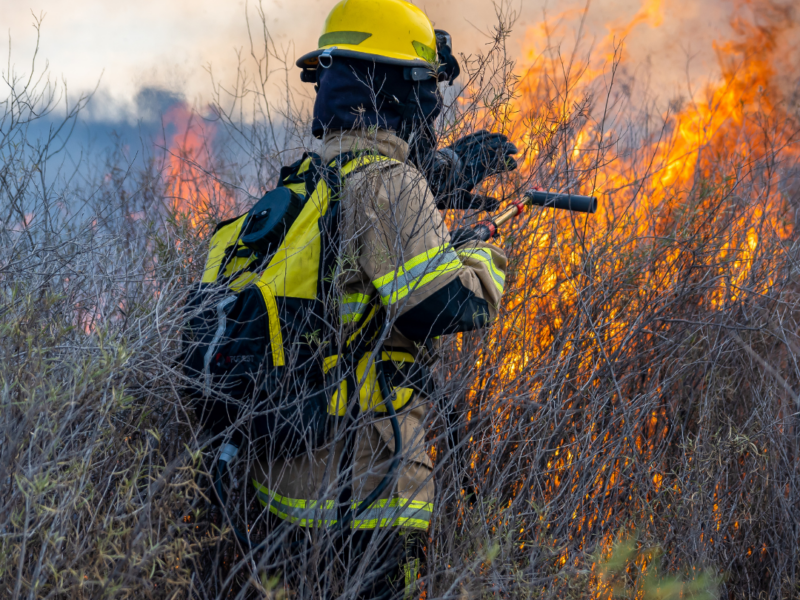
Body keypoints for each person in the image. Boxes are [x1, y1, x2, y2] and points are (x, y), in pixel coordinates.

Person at [249, 0, 516, 596]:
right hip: (360, 489)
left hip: (281, 485)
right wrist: (476, 253)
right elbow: (448, 306)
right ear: (397, 86)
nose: (433, 105)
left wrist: (433, 177)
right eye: (424, 84)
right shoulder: (388, 185)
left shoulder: (306, 177)